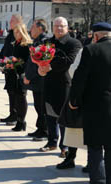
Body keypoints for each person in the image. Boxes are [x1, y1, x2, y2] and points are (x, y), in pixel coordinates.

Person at [69, 22, 111, 184]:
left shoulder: (91, 50)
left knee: (95, 147)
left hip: (95, 107)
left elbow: (79, 80)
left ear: (95, 36)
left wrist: (74, 101)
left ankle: (98, 180)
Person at [38, 17, 82, 158]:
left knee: (63, 117)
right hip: (49, 83)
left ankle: (65, 147)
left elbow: (69, 61)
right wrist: (40, 69)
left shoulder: (74, 43)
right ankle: (52, 142)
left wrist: (49, 66)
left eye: (62, 26)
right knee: (49, 114)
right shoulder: (47, 42)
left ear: (67, 27)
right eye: (56, 26)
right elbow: (39, 59)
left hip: (65, 84)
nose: (59, 28)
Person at [25, 18, 49, 140]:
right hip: (36, 79)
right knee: (38, 105)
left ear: (40, 28)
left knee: (41, 106)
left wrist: (29, 76)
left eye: (33, 27)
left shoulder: (44, 42)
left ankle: (45, 131)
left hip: (40, 79)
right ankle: (40, 128)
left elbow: (39, 63)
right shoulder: (37, 41)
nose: (30, 30)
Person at [0, 14, 24, 125]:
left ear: (18, 22)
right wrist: (1, 60)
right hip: (8, 67)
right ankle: (12, 113)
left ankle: (17, 116)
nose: (10, 22)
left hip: (15, 68)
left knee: (16, 93)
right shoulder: (10, 35)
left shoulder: (20, 35)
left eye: (12, 20)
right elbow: (5, 49)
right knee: (10, 91)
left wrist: (13, 62)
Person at [6, 23, 32, 132]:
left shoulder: (26, 45)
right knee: (16, 98)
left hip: (22, 74)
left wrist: (16, 63)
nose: (16, 34)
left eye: (18, 32)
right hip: (14, 73)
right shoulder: (15, 43)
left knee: (21, 98)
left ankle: (22, 121)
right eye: (15, 32)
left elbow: (28, 61)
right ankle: (18, 120)